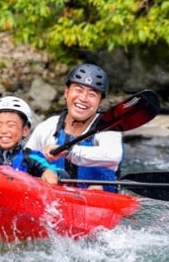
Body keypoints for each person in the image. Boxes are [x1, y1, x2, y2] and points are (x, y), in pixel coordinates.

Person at [25, 63, 123, 192]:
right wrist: (44, 169)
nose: (83, 98)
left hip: (97, 202)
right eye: (78, 89)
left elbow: (113, 156)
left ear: (101, 102)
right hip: (54, 200)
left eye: (92, 94)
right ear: (66, 92)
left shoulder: (108, 129)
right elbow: (25, 160)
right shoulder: (48, 127)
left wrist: (69, 151)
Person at [0, 96, 66, 184]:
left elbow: (61, 173)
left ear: (25, 130)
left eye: (11, 125)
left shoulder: (31, 157)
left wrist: (52, 173)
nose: (3, 131)